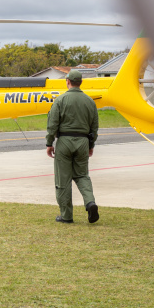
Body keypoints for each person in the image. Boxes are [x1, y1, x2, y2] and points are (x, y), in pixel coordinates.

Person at [46, 69, 99, 224]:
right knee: (82, 175)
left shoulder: (60, 100)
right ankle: (90, 202)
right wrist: (91, 144)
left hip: (64, 141)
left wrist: (49, 143)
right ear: (81, 82)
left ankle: (66, 215)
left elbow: (52, 124)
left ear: (67, 81)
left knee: (63, 179)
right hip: (83, 142)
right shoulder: (90, 102)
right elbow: (94, 127)